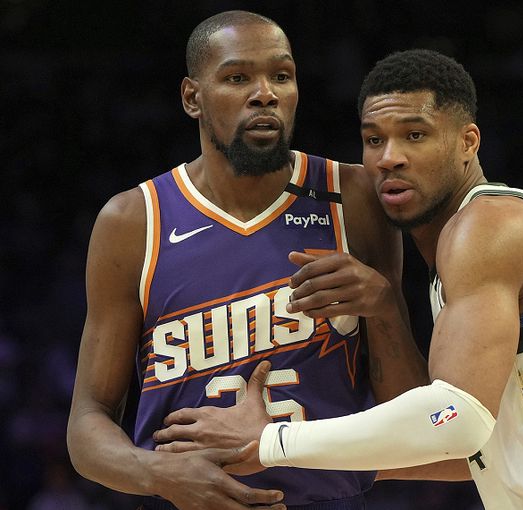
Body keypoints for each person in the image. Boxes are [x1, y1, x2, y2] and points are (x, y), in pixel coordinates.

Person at [195, 49, 523, 509]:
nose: (389, 158)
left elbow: (457, 421)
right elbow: (456, 454)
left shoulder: (487, 227)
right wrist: (265, 457)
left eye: (414, 135)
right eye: (373, 140)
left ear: (468, 142)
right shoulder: (462, 247)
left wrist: (274, 441)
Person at [66, 11, 428, 510]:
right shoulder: (133, 221)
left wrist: (384, 306)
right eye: (238, 78)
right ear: (192, 98)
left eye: (281, 75)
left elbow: (412, 417)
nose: (265, 94)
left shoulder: (355, 196)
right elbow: (87, 422)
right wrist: (157, 473)